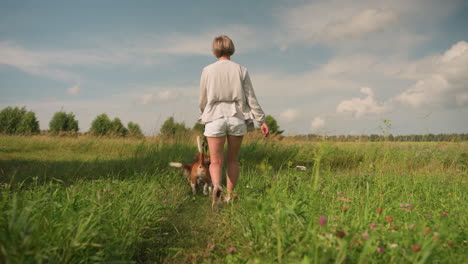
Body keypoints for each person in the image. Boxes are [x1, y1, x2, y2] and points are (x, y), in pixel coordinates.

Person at [198, 35, 269, 208]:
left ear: (215, 50)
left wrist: (204, 112)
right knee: (232, 160)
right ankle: (229, 197)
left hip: (214, 117)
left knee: (215, 161)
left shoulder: (207, 70)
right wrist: (262, 120)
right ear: (232, 48)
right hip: (237, 117)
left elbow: (203, 98)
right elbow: (251, 98)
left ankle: (216, 187)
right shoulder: (241, 70)